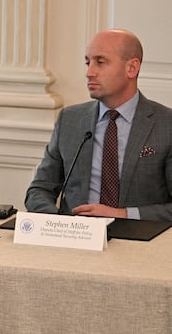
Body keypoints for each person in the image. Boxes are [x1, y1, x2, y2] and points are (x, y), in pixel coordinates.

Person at [25, 29, 172, 220]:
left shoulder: (166, 124)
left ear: (132, 68)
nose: (89, 72)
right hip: (76, 240)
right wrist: (62, 223)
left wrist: (123, 214)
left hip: (139, 242)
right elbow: (39, 190)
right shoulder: (70, 120)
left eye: (100, 62)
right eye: (88, 62)